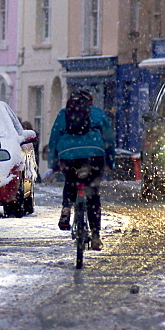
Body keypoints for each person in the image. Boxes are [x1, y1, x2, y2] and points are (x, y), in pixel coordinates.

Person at [46, 90, 117, 251]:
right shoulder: (98, 114)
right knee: (92, 195)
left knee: (70, 181)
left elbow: (54, 139)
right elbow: (109, 140)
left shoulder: (63, 114)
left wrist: (54, 164)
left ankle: (66, 208)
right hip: (94, 156)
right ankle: (96, 236)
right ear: (90, 102)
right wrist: (110, 162)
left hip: (68, 156)